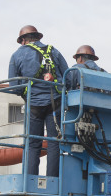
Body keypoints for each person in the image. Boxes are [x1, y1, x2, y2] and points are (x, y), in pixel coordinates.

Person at [7, 25, 68, 178]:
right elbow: (67, 76)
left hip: (33, 104)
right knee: (54, 142)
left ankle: (30, 180)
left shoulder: (16, 56)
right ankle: (53, 181)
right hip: (56, 104)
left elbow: (15, 87)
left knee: (33, 144)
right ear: (38, 37)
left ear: (22, 41)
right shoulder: (54, 51)